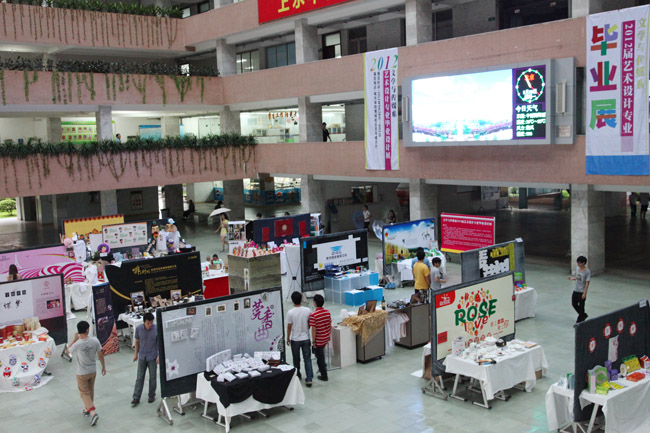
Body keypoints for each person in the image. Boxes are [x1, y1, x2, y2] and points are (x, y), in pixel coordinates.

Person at [66, 320, 106, 427]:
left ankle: (93, 413)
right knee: (90, 390)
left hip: (82, 372)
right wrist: (103, 367)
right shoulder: (95, 340)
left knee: (84, 393)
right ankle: (87, 409)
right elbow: (100, 354)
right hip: (92, 370)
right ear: (87, 330)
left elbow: (67, 351)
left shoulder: (77, 344)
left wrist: (74, 340)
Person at [286, 291, 313, 387]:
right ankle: (309, 378)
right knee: (307, 359)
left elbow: (289, 327)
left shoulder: (290, 313)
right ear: (301, 299)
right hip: (306, 338)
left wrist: (288, 337)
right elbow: (310, 323)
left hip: (295, 339)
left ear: (292, 300)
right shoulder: (307, 310)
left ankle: (297, 375)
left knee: (296, 359)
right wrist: (306, 330)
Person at [131, 312, 158, 406]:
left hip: (152, 356)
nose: (150, 325)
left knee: (153, 377)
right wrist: (136, 354)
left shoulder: (156, 329)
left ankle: (151, 395)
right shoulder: (139, 329)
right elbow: (137, 342)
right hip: (142, 356)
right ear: (144, 322)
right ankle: (136, 397)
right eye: (148, 323)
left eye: (151, 322)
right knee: (139, 377)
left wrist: (158, 356)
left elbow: (159, 343)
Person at [309, 294, 332, 382]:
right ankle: (323, 367)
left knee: (320, 358)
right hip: (325, 337)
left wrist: (314, 341)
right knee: (321, 354)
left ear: (315, 303)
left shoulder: (314, 315)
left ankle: (324, 375)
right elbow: (329, 324)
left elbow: (313, 329)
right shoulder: (327, 312)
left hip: (319, 339)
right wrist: (328, 335)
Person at [568, 256, 590, 323]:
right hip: (576, 289)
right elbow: (577, 277)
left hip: (581, 291)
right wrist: (572, 278)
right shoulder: (577, 268)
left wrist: (584, 293)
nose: (578, 264)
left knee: (581, 306)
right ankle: (583, 315)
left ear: (583, 263)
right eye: (577, 263)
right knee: (574, 303)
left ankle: (580, 320)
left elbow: (587, 282)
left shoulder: (587, 271)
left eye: (579, 263)